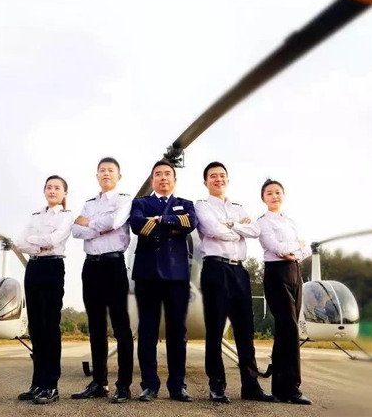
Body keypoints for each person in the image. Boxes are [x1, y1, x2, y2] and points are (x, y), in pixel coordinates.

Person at [194, 161, 274, 404]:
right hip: (215, 268)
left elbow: (256, 231)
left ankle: (251, 385)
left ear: (227, 179)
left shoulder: (238, 207)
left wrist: (230, 225)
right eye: (213, 176)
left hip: (239, 270)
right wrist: (239, 228)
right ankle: (216, 386)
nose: (218, 179)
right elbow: (212, 229)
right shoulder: (202, 205)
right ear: (205, 182)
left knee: (245, 330)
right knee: (215, 329)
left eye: (222, 175)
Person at [130, 160, 197, 402]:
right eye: (158, 174)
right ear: (152, 180)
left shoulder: (186, 204)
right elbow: (137, 225)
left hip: (176, 274)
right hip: (147, 274)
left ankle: (177, 386)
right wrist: (174, 224)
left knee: (177, 332)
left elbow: (191, 223)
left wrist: (160, 220)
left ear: (174, 179)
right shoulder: (140, 203)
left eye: (168, 174)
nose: (163, 178)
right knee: (147, 331)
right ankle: (149, 385)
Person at [70, 157, 134, 404]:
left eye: (110, 170)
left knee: (121, 327)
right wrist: (99, 227)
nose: (106, 174)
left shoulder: (124, 200)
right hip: (91, 266)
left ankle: (123, 385)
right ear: (96, 175)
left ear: (119, 176)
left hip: (113, 265)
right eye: (102, 170)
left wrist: (90, 224)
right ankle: (99, 382)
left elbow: (115, 222)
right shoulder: (89, 203)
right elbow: (76, 231)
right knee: (96, 327)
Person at [15, 175, 74, 405]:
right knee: (36, 327)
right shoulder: (35, 216)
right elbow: (20, 242)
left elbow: (55, 239)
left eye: (57, 187)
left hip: (52, 267)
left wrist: (34, 241)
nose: (52, 190)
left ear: (64, 193)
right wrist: (40, 243)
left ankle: (51, 385)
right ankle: (37, 383)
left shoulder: (66, 216)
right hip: (33, 268)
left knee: (50, 326)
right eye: (49, 187)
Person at [258, 178, 312, 405]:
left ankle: (280, 388)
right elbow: (275, 247)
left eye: (278, 192)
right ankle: (292, 387)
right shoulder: (263, 222)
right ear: (263, 198)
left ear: (283, 195)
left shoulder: (291, 221)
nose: (274, 196)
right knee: (289, 327)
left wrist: (294, 252)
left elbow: (306, 249)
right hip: (276, 273)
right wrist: (294, 249)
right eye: (269, 193)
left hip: (294, 271)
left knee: (286, 329)